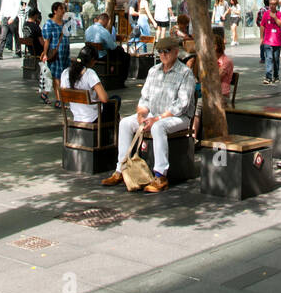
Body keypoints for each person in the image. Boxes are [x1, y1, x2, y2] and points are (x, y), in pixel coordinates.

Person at [103, 35, 197, 194]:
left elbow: (182, 105)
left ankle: (160, 176)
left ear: (176, 52)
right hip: (153, 113)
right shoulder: (153, 71)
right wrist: (141, 113)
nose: (163, 55)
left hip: (178, 117)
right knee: (125, 123)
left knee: (158, 127)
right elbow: (144, 97)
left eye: (167, 51)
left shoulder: (185, 73)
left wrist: (158, 118)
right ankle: (121, 169)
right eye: (160, 51)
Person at [60, 45, 117, 123]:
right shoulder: (89, 73)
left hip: (77, 116)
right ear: (92, 60)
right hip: (93, 117)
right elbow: (104, 99)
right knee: (116, 99)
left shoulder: (65, 72)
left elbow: (63, 94)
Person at [41, 1, 70, 99]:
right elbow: (47, 41)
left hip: (65, 54)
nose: (63, 11)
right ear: (55, 11)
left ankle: (45, 94)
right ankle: (59, 100)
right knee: (57, 76)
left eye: (64, 9)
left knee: (61, 75)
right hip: (56, 54)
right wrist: (45, 53)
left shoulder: (65, 23)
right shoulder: (49, 24)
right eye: (61, 9)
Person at [259, 0, 281, 85]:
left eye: (274, 4)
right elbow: (262, 25)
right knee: (269, 58)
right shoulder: (266, 14)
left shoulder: (280, 14)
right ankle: (268, 77)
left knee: (276, 59)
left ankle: (276, 76)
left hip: (277, 41)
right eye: (270, 4)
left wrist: (275, 17)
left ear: (276, 5)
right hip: (267, 41)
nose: (272, 6)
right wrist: (261, 38)